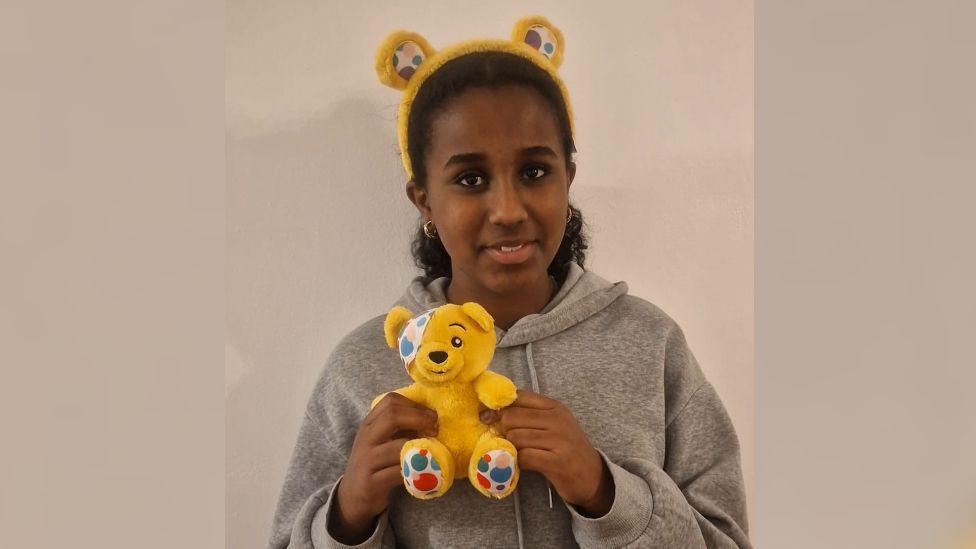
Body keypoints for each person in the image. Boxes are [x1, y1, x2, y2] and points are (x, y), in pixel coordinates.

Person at [268, 16, 751, 549]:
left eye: (534, 172)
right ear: (424, 199)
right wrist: (346, 517)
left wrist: (604, 492)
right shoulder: (360, 368)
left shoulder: (651, 345)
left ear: (568, 175)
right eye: (470, 179)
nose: (507, 210)